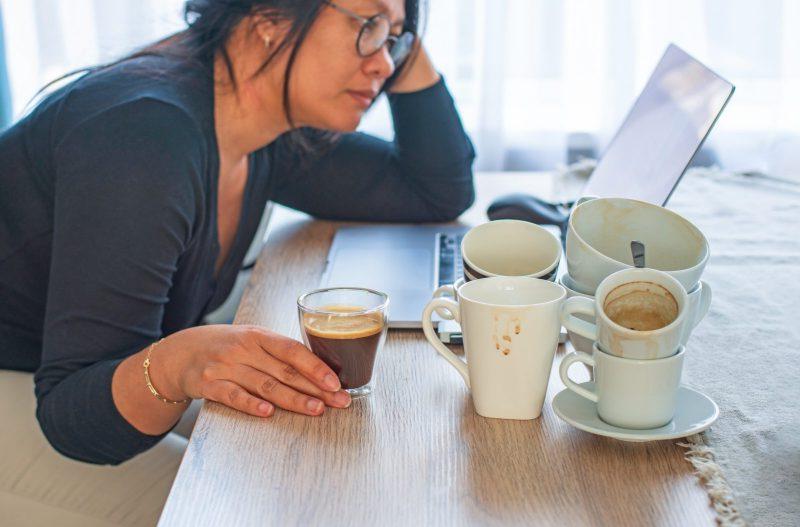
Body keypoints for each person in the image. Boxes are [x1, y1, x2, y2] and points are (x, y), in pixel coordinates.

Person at [0, 0, 475, 524]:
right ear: (268, 18)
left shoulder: (261, 128)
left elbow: (436, 189)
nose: (385, 63)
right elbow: (73, 417)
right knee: (251, 507)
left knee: (313, 469)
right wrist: (182, 362)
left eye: (395, 40)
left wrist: (391, 33)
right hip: (33, 390)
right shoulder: (145, 136)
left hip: (68, 377)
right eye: (367, 27)